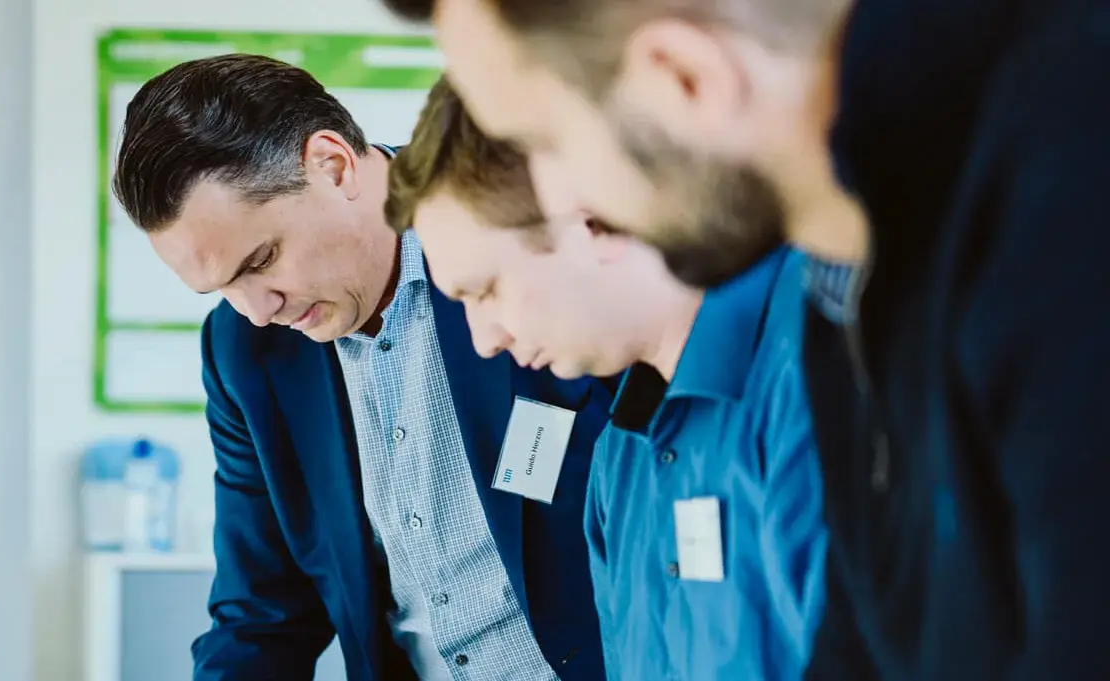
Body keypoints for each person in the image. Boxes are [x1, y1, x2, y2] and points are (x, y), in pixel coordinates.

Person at [380, 0, 1110, 677]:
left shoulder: (1061, 188)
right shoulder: (849, 284)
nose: (567, 205)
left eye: (545, 141)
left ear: (684, 78)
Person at [112, 53, 613, 680]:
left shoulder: (509, 221)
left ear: (333, 164)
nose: (258, 311)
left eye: (261, 260)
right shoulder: (244, 351)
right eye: (221, 288)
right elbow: (264, 611)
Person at [385, 79, 829, 680]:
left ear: (589, 212)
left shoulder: (821, 373)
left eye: (486, 290)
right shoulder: (619, 458)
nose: (485, 340)